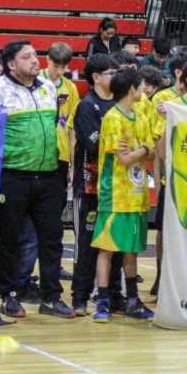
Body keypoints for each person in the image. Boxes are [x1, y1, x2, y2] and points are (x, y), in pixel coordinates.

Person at [0, 39, 75, 319]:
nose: (35, 60)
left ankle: (52, 297)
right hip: (11, 177)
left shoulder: (48, 89)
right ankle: (8, 295)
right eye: (27, 57)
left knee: (52, 238)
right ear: (10, 64)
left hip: (47, 176)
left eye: (35, 55)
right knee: (10, 239)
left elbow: (54, 126)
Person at [91, 67, 156, 324]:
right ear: (132, 89)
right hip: (115, 194)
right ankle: (103, 302)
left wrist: (139, 151)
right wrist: (141, 150)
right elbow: (125, 159)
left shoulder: (140, 116)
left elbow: (150, 153)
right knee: (107, 250)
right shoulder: (112, 118)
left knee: (131, 251)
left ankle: (132, 301)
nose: (145, 91)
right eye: (142, 87)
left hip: (136, 194)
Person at [68, 54, 125, 316]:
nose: (116, 77)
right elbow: (94, 144)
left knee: (115, 244)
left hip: (117, 188)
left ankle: (114, 295)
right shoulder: (86, 106)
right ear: (96, 77)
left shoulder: (120, 104)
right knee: (87, 245)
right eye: (111, 72)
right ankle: (79, 297)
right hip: (90, 188)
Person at [147, 51, 187, 296]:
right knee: (163, 232)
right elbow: (157, 146)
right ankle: (161, 275)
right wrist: (158, 179)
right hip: (169, 177)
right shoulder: (163, 99)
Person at [41, 43, 80, 281]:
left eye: (64, 67)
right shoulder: (35, 81)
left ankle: (53, 268)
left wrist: (73, 164)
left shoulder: (71, 88)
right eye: (56, 66)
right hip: (36, 156)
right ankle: (25, 271)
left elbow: (72, 128)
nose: (59, 72)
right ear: (48, 60)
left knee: (55, 219)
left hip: (62, 156)